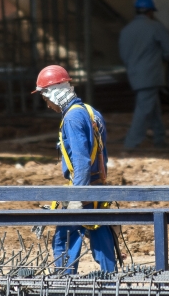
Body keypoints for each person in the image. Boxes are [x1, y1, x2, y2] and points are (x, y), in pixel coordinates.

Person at [33, 65, 117, 274]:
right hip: (97, 187)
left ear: (54, 93)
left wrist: (77, 199)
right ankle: (112, 282)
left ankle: (64, 287)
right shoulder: (91, 112)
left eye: (46, 99)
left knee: (64, 238)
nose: (48, 105)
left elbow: (81, 161)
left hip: (83, 188)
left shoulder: (72, 118)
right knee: (100, 234)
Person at [118, 0, 169, 151]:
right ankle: (130, 143)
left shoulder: (126, 31)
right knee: (144, 109)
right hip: (151, 75)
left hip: (134, 75)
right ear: (151, 11)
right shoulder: (155, 27)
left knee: (153, 106)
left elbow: (124, 56)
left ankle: (159, 138)